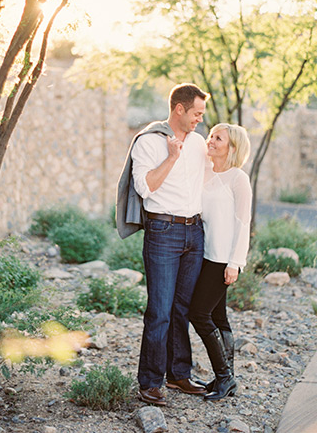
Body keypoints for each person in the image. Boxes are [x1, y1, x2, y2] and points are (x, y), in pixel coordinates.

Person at [115, 83, 210, 407]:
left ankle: (178, 374)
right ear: (179, 109)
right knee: (159, 311)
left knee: (181, 309)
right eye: (196, 113)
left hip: (193, 232)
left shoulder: (198, 142)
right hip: (163, 232)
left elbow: (212, 178)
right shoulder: (149, 141)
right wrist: (171, 157)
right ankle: (151, 382)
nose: (200, 119)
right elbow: (145, 187)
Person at [189, 123, 251, 401]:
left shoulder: (238, 178)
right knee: (217, 316)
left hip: (222, 259)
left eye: (218, 138)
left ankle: (225, 377)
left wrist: (235, 262)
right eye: (211, 135)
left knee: (198, 314)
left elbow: (243, 222)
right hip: (204, 255)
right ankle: (226, 378)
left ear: (232, 147)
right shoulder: (206, 171)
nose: (210, 140)